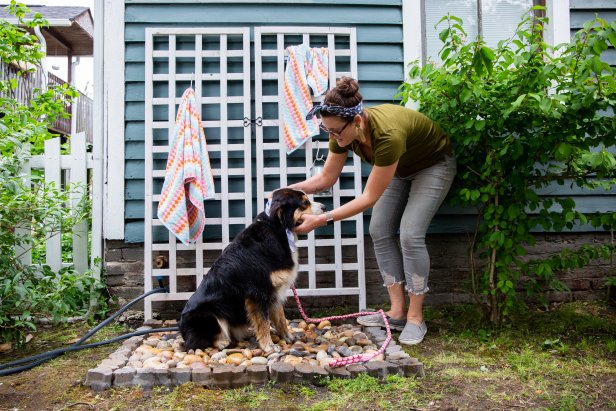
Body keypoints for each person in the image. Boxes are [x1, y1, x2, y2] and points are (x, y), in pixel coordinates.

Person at [287, 77, 456, 345]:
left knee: (410, 235)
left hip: (432, 165)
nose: (332, 137)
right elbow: (326, 178)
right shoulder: (341, 132)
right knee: (379, 229)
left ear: (357, 122)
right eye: (327, 131)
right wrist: (286, 191)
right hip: (399, 168)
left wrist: (321, 219)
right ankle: (397, 312)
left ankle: (415, 318)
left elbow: (369, 197)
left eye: (335, 132)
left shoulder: (388, 135)